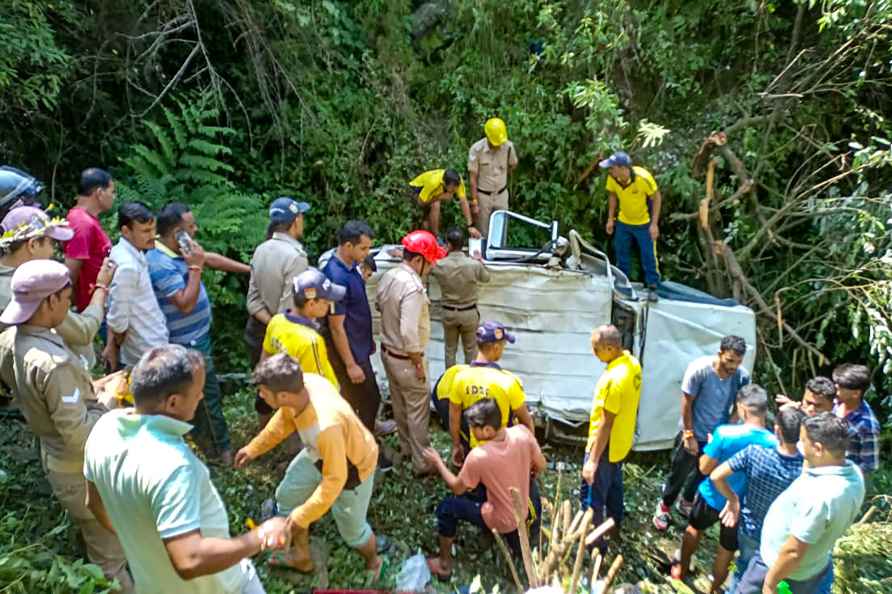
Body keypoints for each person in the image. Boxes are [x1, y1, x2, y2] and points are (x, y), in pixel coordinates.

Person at [84, 345, 288, 593]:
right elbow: (188, 559)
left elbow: (93, 504)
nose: (201, 397)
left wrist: (142, 538)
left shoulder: (104, 429)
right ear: (172, 402)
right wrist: (260, 536)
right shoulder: (173, 465)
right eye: (197, 392)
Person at [0, 260, 132, 590]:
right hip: (80, 470)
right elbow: (79, 436)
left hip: (55, 459)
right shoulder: (53, 364)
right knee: (110, 560)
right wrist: (110, 404)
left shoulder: (11, 340)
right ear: (50, 302)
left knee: (98, 538)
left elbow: (47, 401)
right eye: (67, 297)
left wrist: (92, 388)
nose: (69, 304)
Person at [235, 354, 383, 578]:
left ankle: (374, 561)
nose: (260, 395)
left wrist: (302, 516)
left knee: (353, 532)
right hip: (317, 454)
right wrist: (254, 448)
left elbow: (335, 479)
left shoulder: (325, 426)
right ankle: (302, 557)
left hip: (353, 469)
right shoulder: (305, 386)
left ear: (283, 394)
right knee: (286, 497)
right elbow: (284, 420)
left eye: (264, 392)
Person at [735, 413, 866, 594]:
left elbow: (793, 552)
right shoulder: (853, 474)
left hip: (780, 569)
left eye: (803, 441)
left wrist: (770, 583)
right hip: (813, 566)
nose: (799, 445)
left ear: (819, 449)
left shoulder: (820, 497)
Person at [422, 398, 546, 580]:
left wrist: (438, 463)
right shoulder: (522, 433)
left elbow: (457, 488)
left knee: (447, 508)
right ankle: (521, 550)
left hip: (501, 518)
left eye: (474, 428)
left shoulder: (479, 456)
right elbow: (541, 465)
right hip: (522, 509)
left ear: (488, 430)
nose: (471, 432)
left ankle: (444, 564)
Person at [146, 203, 232, 464]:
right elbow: (184, 304)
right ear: (175, 233)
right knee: (205, 395)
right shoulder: (159, 262)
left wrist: (249, 270)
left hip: (198, 334)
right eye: (190, 227)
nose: (196, 230)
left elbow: (208, 258)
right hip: (186, 342)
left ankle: (210, 445)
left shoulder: (180, 250)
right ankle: (220, 452)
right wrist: (194, 269)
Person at [671, 384, 775, 592]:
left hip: (712, 495)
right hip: (740, 506)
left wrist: (712, 446)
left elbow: (704, 467)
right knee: (726, 551)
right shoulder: (773, 442)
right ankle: (714, 588)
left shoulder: (725, 434)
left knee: (694, 529)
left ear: (742, 409)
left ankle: (680, 571)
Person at [653, 335, 750, 531]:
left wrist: (726, 431)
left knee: (703, 472)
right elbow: (687, 402)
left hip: (716, 436)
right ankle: (664, 505)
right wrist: (689, 435)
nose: (733, 366)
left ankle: (687, 501)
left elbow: (738, 407)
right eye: (730, 360)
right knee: (680, 472)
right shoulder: (700, 370)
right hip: (694, 430)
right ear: (720, 353)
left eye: (738, 362)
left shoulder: (741, 376)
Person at [0, 206, 113, 369]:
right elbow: (83, 331)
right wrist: (101, 287)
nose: (53, 251)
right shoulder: (30, 290)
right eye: (51, 242)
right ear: (32, 245)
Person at [709, 407, 805, 590]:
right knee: (770, 579)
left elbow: (715, 476)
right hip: (782, 536)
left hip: (751, 528)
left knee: (742, 568)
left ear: (777, 430)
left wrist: (733, 499)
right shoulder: (805, 468)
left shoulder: (755, 453)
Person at [322, 221, 392, 470]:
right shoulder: (336, 277)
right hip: (349, 352)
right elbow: (336, 326)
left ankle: (359, 442)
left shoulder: (350, 266)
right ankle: (362, 450)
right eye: (363, 248)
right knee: (366, 400)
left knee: (365, 401)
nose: (367, 254)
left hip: (359, 346)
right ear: (348, 245)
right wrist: (350, 364)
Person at [376, 230, 446, 475]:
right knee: (418, 410)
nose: (431, 266)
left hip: (388, 353)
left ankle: (406, 450)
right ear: (418, 260)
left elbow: (378, 305)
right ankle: (422, 463)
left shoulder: (389, 276)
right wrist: (417, 362)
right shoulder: (413, 287)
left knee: (400, 405)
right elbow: (408, 332)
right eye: (431, 261)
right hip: (407, 359)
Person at [245, 197, 310, 424]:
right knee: (289, 389)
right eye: (301, 216)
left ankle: (264, 438)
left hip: (258, 330)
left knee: (265, 386)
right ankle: (290, 447)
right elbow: (288, 310)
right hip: (286, 336)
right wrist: (278, 326)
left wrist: (270, 323)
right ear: (295, 221)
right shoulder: (296, 257)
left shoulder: (261, 250)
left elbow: (252, 301)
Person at [434, 320, 534, 467]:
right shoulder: (509, 382)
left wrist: (457, 446)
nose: (503, 349)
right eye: (503, 346)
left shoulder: (460, 378)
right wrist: (530, 452)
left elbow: (453, 417)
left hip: (476, 451)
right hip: (501, 452)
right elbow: (526, 422)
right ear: (495, 347)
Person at [580, 324, 642, 553]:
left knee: (593, 498)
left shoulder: (614, 380)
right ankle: (615, 527)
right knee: (615, 489)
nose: (594, 353)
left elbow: (606, 423)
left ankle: (595, 547)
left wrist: (592, 461)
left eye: (596, 349)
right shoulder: (632, 364)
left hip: (604, 446)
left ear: (609, 347)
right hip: (620, 444)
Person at [104, 202, 168, 371]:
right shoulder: (127, 266)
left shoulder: (127, 251)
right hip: (145, 351)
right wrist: (115, 344)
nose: (153, 235)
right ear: (126, 231)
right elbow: (118, 320)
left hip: (150, 345)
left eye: (153, 229)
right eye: (146, 231)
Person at [261, 268, 342, 388]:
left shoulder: (276, 321)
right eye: (326, 301)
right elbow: (317, 386)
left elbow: (265, 360)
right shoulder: (311, 341)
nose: (329, 305)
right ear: (311, 304)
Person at [599, 151, 662, 302]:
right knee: (621, 254)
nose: (610, 171)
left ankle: (652, 286)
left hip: (643, 223)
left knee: (648, 256)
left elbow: (657, 197)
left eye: (612, 168)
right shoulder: (613, 178)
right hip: (623, 222)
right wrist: (610, 219)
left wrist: (654, 224)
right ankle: (622, 285)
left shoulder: (643, 178)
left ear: (622, 168)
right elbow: (613, 195)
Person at [430, 227, 490, 369]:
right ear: (463, 244)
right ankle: (470, 383)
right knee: (470, 350)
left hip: (449, 312)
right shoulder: (474, 264)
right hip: (469, 313)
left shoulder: (440, 265)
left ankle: (450, 382)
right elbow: (486, 278)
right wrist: (480, 261)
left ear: (449, 245)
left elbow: (428, 267)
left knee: (450, 350)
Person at [64, 168, 115, 312]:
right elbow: (70, 274)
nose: (114, 197)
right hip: (92, 310)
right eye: (112, 192)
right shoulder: (82, 223)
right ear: (99, 193)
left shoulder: (86, 220)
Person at [468, 117, 518, 236]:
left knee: (501, 232)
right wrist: (474, 202)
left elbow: (513, 165)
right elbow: (473, 178)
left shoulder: (508, 147)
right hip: (483, 197)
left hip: (501, 195)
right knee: (483, 233)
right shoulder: (477, 149)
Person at [831, 363, 880, 477]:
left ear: (856, 393)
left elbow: (870, 465)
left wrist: (844, 474)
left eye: (840, 389)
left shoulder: (868, 426)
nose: (836, 391)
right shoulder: (836, 402)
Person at [408, 169, 474, 238]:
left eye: (456, 187)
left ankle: (433, 235)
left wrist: (470, 225)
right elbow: (420, 202)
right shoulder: (433, 182)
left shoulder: (458, 181)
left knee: (435, 218)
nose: (455, 190)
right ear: (444, 184)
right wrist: (439, 197)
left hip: (432, 195)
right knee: (436, 204)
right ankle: (436, 237)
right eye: (453, 188)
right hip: (417, 189)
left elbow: (463, 201)